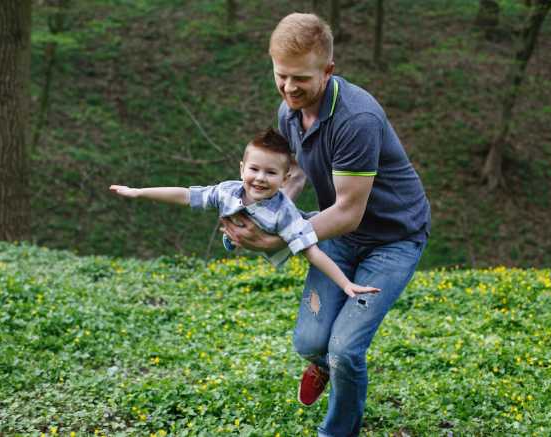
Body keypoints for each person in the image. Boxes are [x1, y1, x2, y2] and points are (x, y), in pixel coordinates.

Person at [220, 13, 431, 437]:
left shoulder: (356, 120)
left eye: (301, 78)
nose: (289, 88)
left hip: (392, 240)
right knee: (311, 343)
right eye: (282, 76)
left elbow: (350, 211)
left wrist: (276, 241)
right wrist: (259, 213)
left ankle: (338, 430)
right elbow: (294, 172)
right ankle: (321, 364)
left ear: (328, 70)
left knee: (345, 350)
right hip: (338, 232)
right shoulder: (290, 112)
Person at [109, 128, 380, 298]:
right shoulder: (228, 191)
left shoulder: (284, 214)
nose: (260, 179)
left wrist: (346, 285)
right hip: (254, 230)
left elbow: (312, 253)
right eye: (254, 169)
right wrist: (139, 191)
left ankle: (364, 249)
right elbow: (185, 194)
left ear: (285, 178)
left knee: (322, 236)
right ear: (242, 169)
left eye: (271, 173)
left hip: (307, 227)